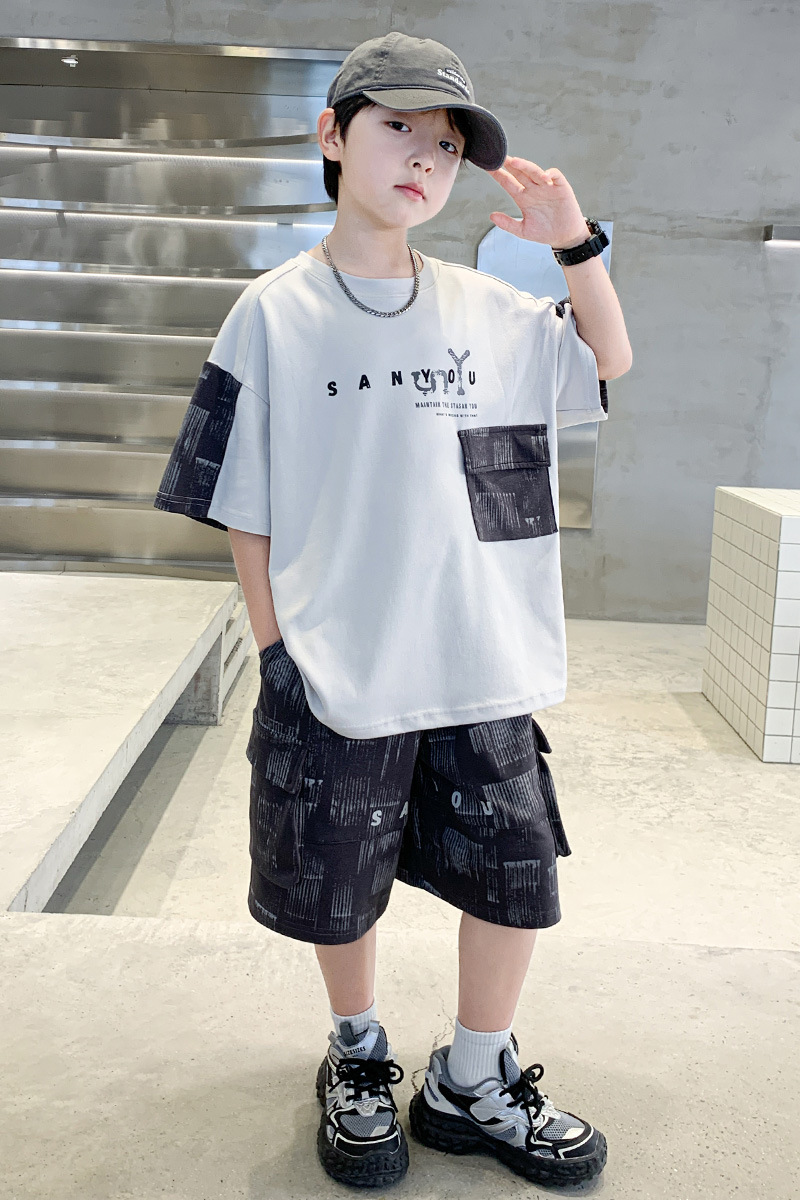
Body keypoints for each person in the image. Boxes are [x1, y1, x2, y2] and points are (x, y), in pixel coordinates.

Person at [153, 30, 632, 1192]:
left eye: (447, 144)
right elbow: (242, 503)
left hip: (480, 654)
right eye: (398, 128)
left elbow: (606, 359)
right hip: (340, 655)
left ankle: (472, 1075)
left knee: (515, 873)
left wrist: (570, 243)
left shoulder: (485, 309)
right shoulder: (271, 314)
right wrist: (277, 650)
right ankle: (358, 1051)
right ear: (332, 135)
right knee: (336, 879)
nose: (424, 158)